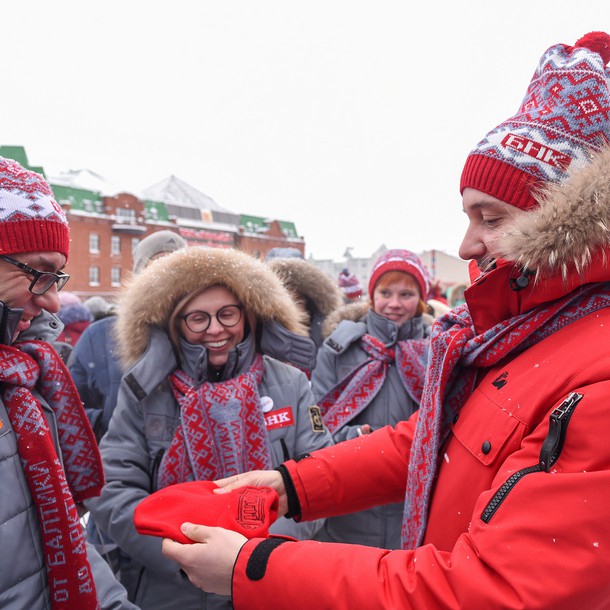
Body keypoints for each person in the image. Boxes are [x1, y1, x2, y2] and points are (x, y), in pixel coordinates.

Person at [161, 31, 610, 609]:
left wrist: (255, 570)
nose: (467, 244)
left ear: (564, 221)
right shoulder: (528, 336)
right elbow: (435, 440)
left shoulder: (592, 375)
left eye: (490, 217)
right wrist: (293, 485)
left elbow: (495, 592)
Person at [86, 246, 334, 609]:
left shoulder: (291, 383)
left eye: (227, 314)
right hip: (171, 589)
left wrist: (262, 556)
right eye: (198, 318)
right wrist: (181, 558)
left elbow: (317, 475)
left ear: (248, 315)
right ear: (176, 324)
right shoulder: (145, 391)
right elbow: (113, 490)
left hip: (271, 582)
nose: (216, 329)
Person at [0, 156, 137, 609]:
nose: (55, 301)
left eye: (57, 277)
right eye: (38, 272)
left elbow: (59, 541)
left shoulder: (26, 381)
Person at [309, 249, 430, 549]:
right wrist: (358, 437)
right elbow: (314, 425)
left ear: (421, 299)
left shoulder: (438, 351)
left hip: (414, 510)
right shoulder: (339, 350)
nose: (394, 304)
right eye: (385, 292)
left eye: (406, 294)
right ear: (371, 295)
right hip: (349, 506)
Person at [68, 230, 187, 441]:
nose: (170, 278)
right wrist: (108, 423)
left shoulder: (203, 332)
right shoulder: (99, 336)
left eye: (179, 268)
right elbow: (70, 408)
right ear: (141, 276)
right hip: (118, 462)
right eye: (158, 268)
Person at [266, 256, 343, 351]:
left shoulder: (328, 338)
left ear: (308, 302)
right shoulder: (260, 337)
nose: (291, 306)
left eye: (297, 299)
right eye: (286, 298)